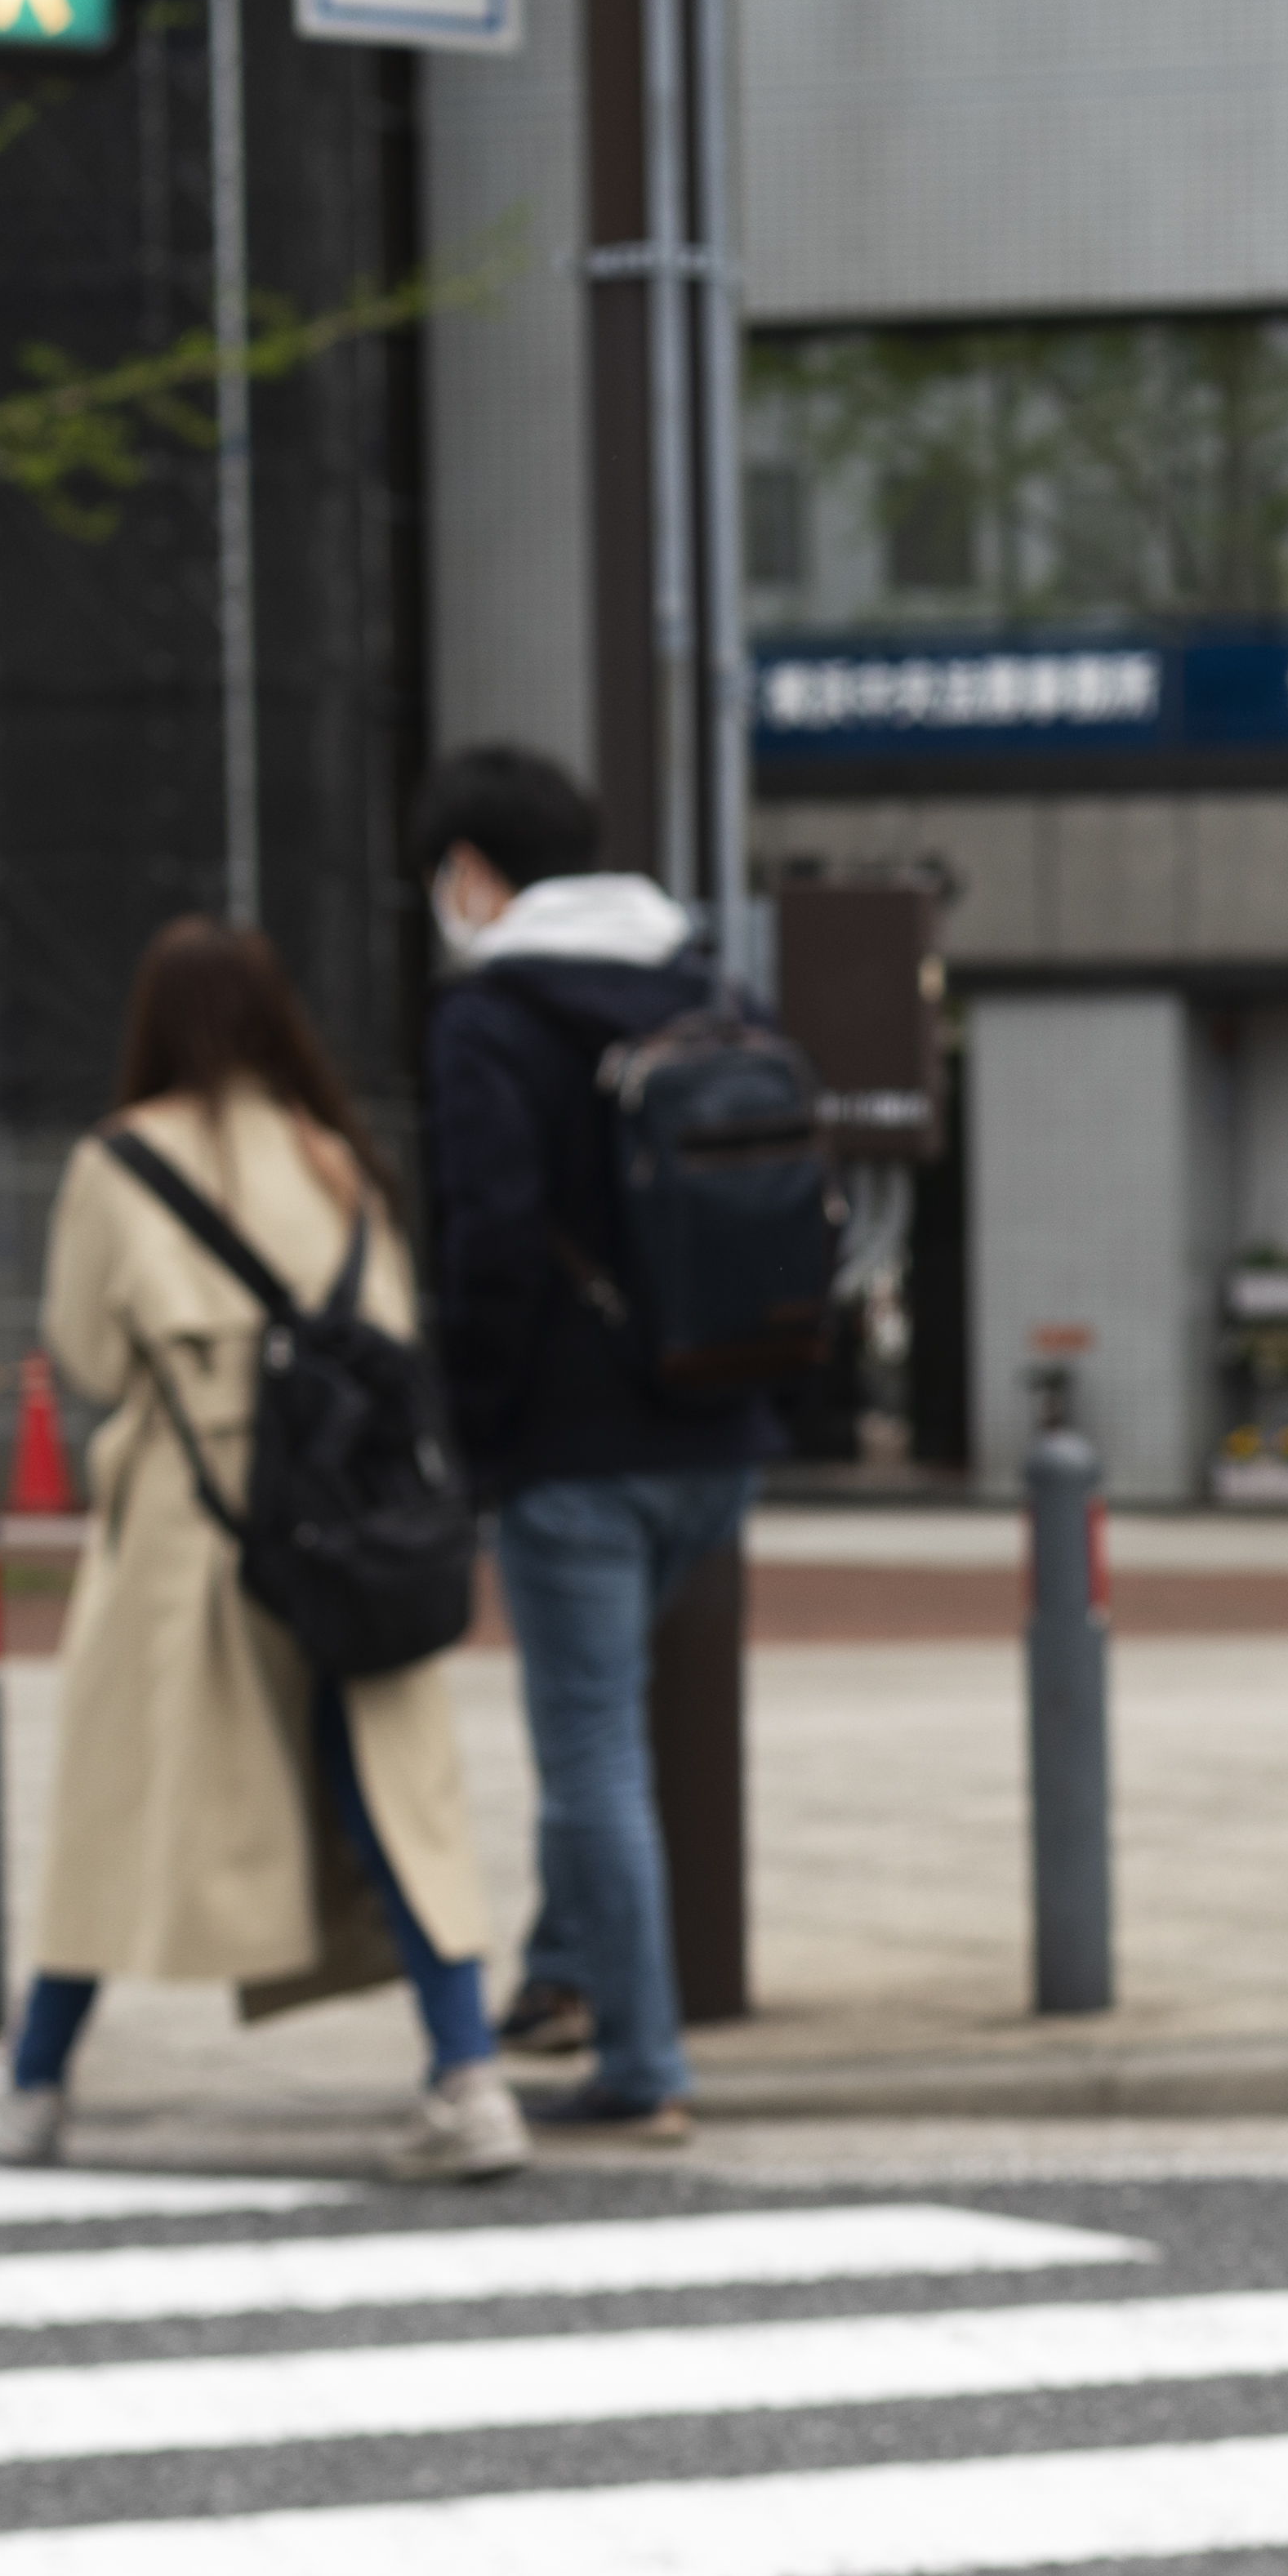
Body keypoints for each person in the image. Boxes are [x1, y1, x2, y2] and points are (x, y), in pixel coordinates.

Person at [0, 921, 526, 2185]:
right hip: (356, 1525)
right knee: (396, 1801)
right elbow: (395, 1329)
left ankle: (32, 2082)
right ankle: (470, 2077)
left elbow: (89, 1357)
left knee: (120, 1804)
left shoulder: (120, 1163)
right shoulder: (337, 1156)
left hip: (194, 1537)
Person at [413, 740, 764, 2146]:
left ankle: (643, 2061)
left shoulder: (493, 1021)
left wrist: (477, 1428)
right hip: (722, 1424)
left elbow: (489, 1241)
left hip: (575, 1443)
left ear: (476, 874)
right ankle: (565, 1974)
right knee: (599, 1721)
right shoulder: (711, 982)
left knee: (592, 1746)